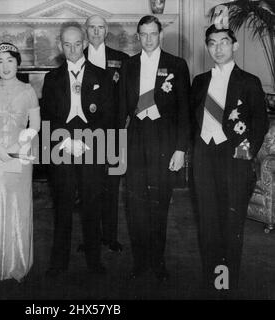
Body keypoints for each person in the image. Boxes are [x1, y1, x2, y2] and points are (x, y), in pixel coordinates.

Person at [191, 24, 268, 293]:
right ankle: (211, 281)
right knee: (208, 224)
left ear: (234, 45)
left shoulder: (249, 81)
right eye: (212, 43)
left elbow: (259, 124)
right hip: (203, 160)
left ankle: (226, 284)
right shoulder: (200, 81)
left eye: (224, 42)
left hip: (234, 161)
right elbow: (193, 121)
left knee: (230, 226)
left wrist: (245, 154)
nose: (218, 48)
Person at [119, 15, 190, 281]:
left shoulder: (177, 65)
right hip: (135, 140)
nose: (148, 39)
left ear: (160, 34)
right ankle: (140, 261)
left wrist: (181, 149)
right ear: (137, 37)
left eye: (153, 34)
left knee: (159, 205)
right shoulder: (128, 66)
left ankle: (157, 260)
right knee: (135, 205)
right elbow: (120, 107)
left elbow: (184, 110)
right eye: (143, 35)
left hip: (164, 142)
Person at [42, 22, 113, 277]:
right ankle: (59, 262)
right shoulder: (52, 78)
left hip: (91, 147)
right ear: (60, 46)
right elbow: (47, 116)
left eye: (77, 44)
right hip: (62, 147)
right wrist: (64, 141)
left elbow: (108, 116)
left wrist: (88, 141)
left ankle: (94, 261)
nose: (72, 49)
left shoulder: (103, 76)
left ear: (84, 44)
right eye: (67, 44)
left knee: (92, 206)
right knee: (62, 205)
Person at [0, 42, 40, 282]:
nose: (5, 66)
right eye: (0, 61)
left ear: (17, 63)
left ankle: (17, 262)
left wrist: (17, 146)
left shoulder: (28, 90)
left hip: (21, 155)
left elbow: (34, 125)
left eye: (10, 60)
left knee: (18, 207)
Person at [83, 14, 129, 253]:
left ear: (106, 30)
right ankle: (89, 238)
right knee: (88, 188)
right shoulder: (76, 57)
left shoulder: (121, 59)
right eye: (92, 28)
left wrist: (122, 129)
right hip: (86, 135)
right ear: (86, 30)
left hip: (114, 133)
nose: (96, 32)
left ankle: (110, 237)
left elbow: (126, 98)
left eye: (100, 27)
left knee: (111, 187)